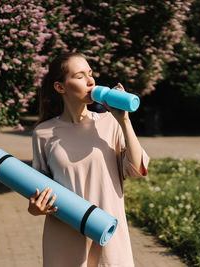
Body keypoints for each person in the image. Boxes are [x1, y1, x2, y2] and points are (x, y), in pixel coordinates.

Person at [29, 52, 149, 267]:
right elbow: (37, 188)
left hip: (108, 233)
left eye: (91, 74)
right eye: (80, 76)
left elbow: (136, 168)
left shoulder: (110, 123)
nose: (91, 81)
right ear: (60, 87)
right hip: (64, 237)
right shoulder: (43, 133)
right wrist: (35, 208)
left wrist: (124, 121)